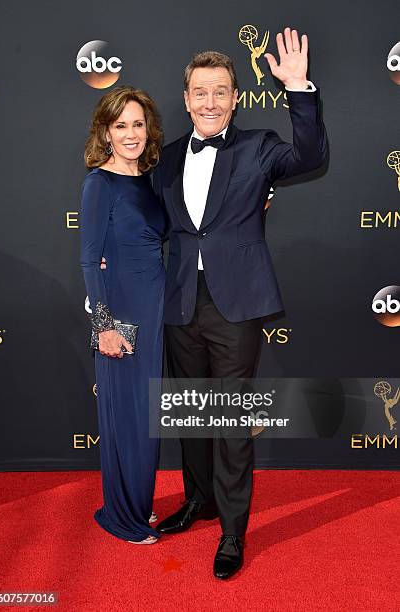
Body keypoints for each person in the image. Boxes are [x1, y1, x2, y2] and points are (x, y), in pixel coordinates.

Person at [152, 27, 328, 578]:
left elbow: (310, 153)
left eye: (220, 91)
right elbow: (148, 222)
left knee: (229, 419)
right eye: (199, 91)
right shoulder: (167, 156)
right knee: (190, 414)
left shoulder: (259, 148)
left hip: (237, 303)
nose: (209, 101)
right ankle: (198, 500)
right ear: (186, 98)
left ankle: (232, 530)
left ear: (235, 98)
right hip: (180, 301)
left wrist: (299, 87)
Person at [80, 86, 166, 544]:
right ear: (106, 132)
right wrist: (103, 327)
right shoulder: (100, 182)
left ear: (148, 128)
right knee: (127, 416)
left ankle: (136, 503)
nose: (131, 134)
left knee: (144, 415)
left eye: (138, 123)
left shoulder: (148, 179)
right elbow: (89, 260)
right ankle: (123, 516)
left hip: (153, 313)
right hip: (122, 316)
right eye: (121, 125)